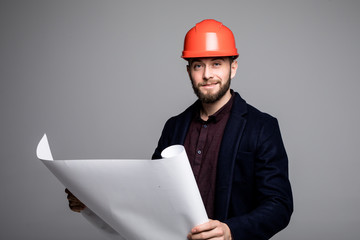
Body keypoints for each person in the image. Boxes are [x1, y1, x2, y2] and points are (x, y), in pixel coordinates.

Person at [66, 19, 293, 240]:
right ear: (188, 71)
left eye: (216, 63)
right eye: (198, 65)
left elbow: (279, 205)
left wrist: (230, 231)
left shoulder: (262, 127)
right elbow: (150, 196)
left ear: (233, 68)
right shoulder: (174, 127)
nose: (206, 74)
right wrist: (92, 204)